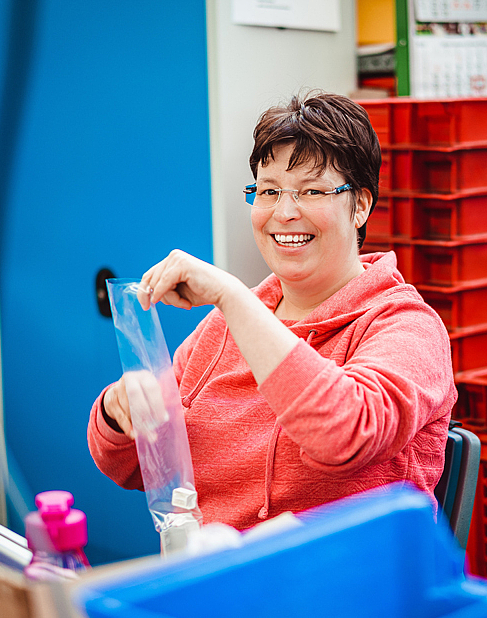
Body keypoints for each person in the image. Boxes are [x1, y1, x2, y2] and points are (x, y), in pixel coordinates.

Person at [88, 91, 456, 531]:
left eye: (312, 190)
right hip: (222, 577)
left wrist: (233, 298)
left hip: (348, 587)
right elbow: (131, 467)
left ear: (360, 205)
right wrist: (120, 410)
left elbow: (345, 433)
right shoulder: (222, 328)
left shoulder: (406, 327)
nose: (283, 212)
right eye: (269, 191)